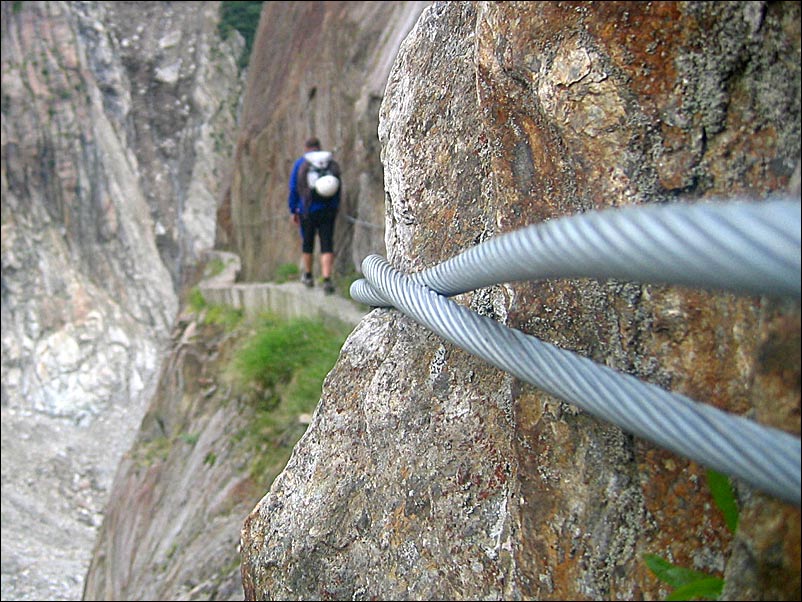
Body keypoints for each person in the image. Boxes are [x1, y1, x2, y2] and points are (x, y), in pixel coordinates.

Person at [287, 137, 341, 294]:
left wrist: (293, 210)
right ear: (319, 147)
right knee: (327, 244)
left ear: (306, 148)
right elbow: (338, 185)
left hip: (307, 210)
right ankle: (327, 279)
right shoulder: (330, 162)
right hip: (328, 209)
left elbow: (293, 188)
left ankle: (309, 276)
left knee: (308, 244)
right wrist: (334, 206)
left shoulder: (300, 163)